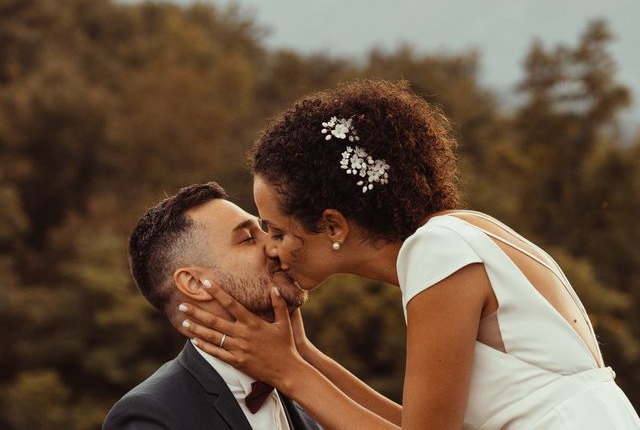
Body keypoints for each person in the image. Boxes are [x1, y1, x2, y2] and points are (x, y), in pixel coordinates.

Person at [180, 80, 640, 430]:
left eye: (277, 231)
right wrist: (303, 355)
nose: (273, 252)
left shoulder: (437, 250)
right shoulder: (462, 230)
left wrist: (287, 373)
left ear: (333, 225)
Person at [103, 182, 321, 430]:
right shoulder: (151, 415)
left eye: (264, 230)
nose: (274, 246)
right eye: (248, 238)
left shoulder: (314, 397)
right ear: (194, 283)